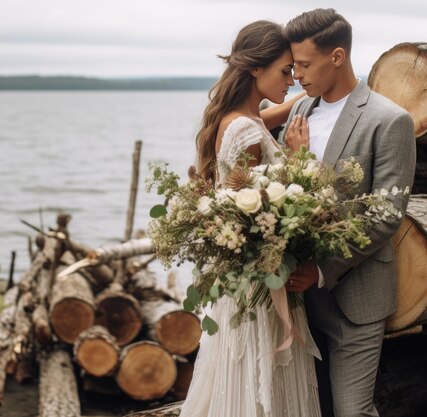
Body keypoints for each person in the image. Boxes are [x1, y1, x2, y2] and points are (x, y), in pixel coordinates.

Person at [277, 9, 416, 417]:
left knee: (353, 411)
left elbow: (386, 214)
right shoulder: (299, 113)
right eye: (293, 66)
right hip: (297, 300)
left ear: (336, 56)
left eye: (304, 65)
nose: (297, 75)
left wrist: (321, 269)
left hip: (356, 296)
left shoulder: (389, 120)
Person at [180, 20, 322, 417]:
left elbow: (270, 115)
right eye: (285, 70)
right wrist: (298, 159)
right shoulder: (245, 129)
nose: (293, 80)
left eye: (296, 70)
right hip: (261, 287)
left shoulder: (240, 117)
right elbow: (256, 208)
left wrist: (316, 91)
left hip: (244, 285)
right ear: (255, 69)